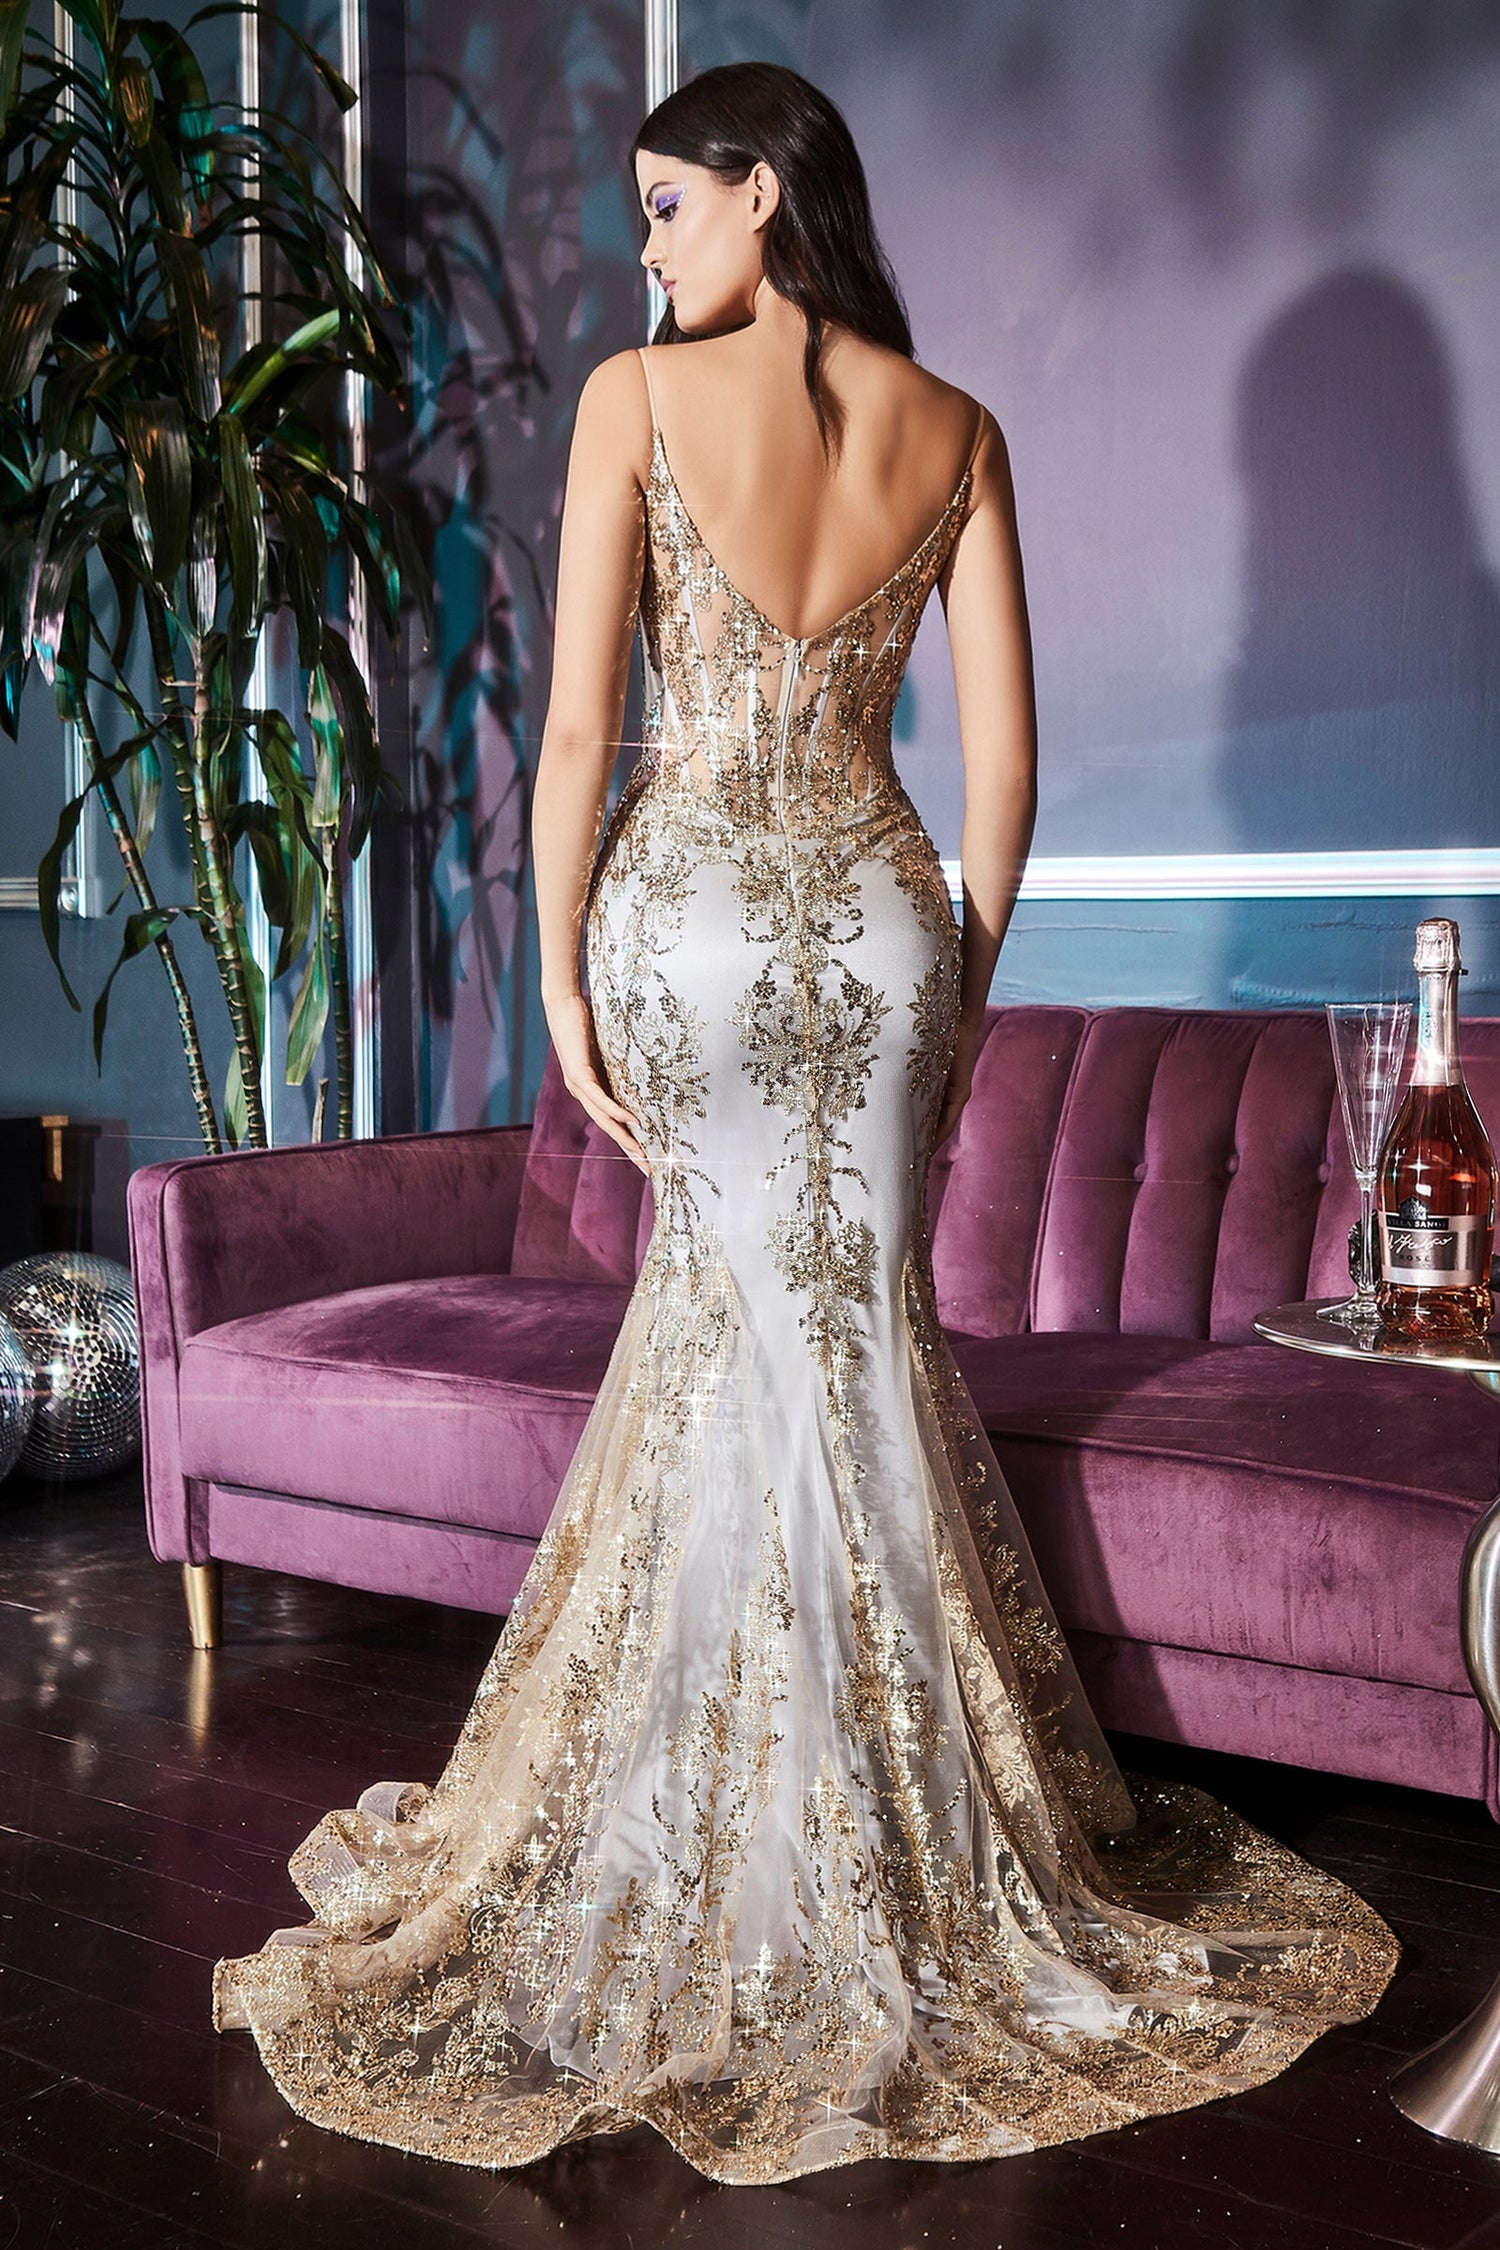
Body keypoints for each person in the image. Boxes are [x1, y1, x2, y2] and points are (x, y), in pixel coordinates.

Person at [214, 61, 1399, 2186]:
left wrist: (560, 980)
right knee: (849, 1340)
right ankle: (878, 1834)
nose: (647, 245)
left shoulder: (635, 402)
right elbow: (1008, 772)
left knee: (728, 1339)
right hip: (880, 926)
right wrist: (962, 980)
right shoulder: (959, 427)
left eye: (670, 204)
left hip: (685, 922)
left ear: (764, 193)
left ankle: (723, 1832)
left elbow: (583, 725)